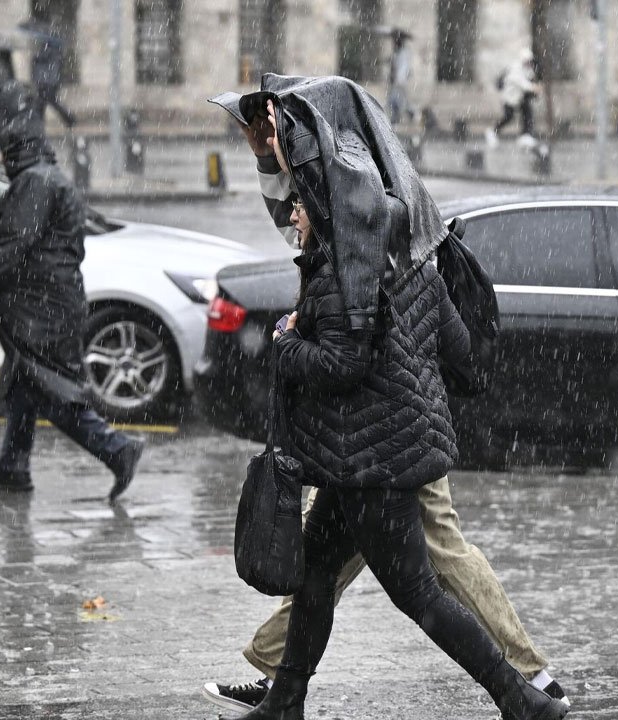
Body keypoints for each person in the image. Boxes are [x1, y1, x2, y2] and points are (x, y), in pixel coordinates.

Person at [209, 76, 568, 720]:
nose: (293, 212)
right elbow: (452, 350)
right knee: (324, 573)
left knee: (424, 582)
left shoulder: (355, 224)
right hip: (373, 440)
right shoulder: (376, 219)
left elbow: (345, 355)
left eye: (299, 193)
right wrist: (268, 152)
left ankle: (524, 687)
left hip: (377, 443)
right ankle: (283, 691)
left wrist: (291, 345)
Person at [0, 84, 143, 501]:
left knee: (53, 389)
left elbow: (17, 240)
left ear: (16, 152)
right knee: (26, 385)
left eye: (5, 153)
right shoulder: (47, 178)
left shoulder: (36, 183)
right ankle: (13, 468)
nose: (2, 161)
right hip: (48, 302)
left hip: (43, 308)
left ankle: (117, 450)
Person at [20, 19, 75, 129]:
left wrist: (35, 58)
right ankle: (43, 123)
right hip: (47, 80)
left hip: (47, 80)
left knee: (47, 102)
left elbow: (43, 62)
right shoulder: (51, 49)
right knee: (42, 102)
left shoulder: (50, 50)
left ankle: (69, 118)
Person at [486, 49, 540, 149]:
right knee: (508, 117)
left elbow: (530, 78)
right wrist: (533, 88)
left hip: (519, 98)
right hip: (509, 99)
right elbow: (521, 83)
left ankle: (526, 135)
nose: (529, 63)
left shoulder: (527, 69)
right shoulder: (516, 69)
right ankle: (493, 131)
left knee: (527, 113)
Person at [387, 29, 414, 126]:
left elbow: (403, 68)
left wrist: (398, 79)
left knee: (396, 100)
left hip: (400, 82)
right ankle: (407, 113)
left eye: (395, 40)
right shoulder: (397, 53)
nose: (393, 42)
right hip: (397, 82)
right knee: (396, 100)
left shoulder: (403, 53)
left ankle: (409, 113)